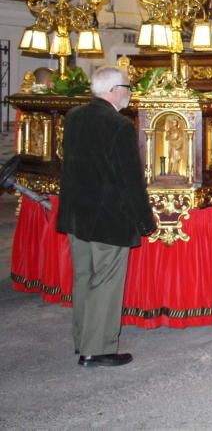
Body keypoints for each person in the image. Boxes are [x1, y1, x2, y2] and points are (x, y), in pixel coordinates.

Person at [58, 66, 155, 367]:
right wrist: (145, 221)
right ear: (114, 90)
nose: (129, 93)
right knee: (107, 282)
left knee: (83, 279)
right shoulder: (119, 126)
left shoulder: (74, 116)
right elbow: (130, 180)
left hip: (77, 213)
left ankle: (82, 340)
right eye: (127, 87)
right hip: (109, 217)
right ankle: (98, 348)